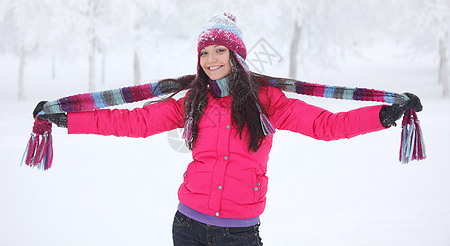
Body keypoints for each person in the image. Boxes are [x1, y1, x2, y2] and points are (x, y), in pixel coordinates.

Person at [33, 13, 422, 246]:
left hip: (238, 235)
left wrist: (384, 116)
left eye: (219, 50)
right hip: (187, 225)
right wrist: (70, 119)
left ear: (236, 55)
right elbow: (134, 122)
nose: (210, 59)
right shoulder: (194, 101)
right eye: (204, 52)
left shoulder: (267, 100)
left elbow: (326, 126)